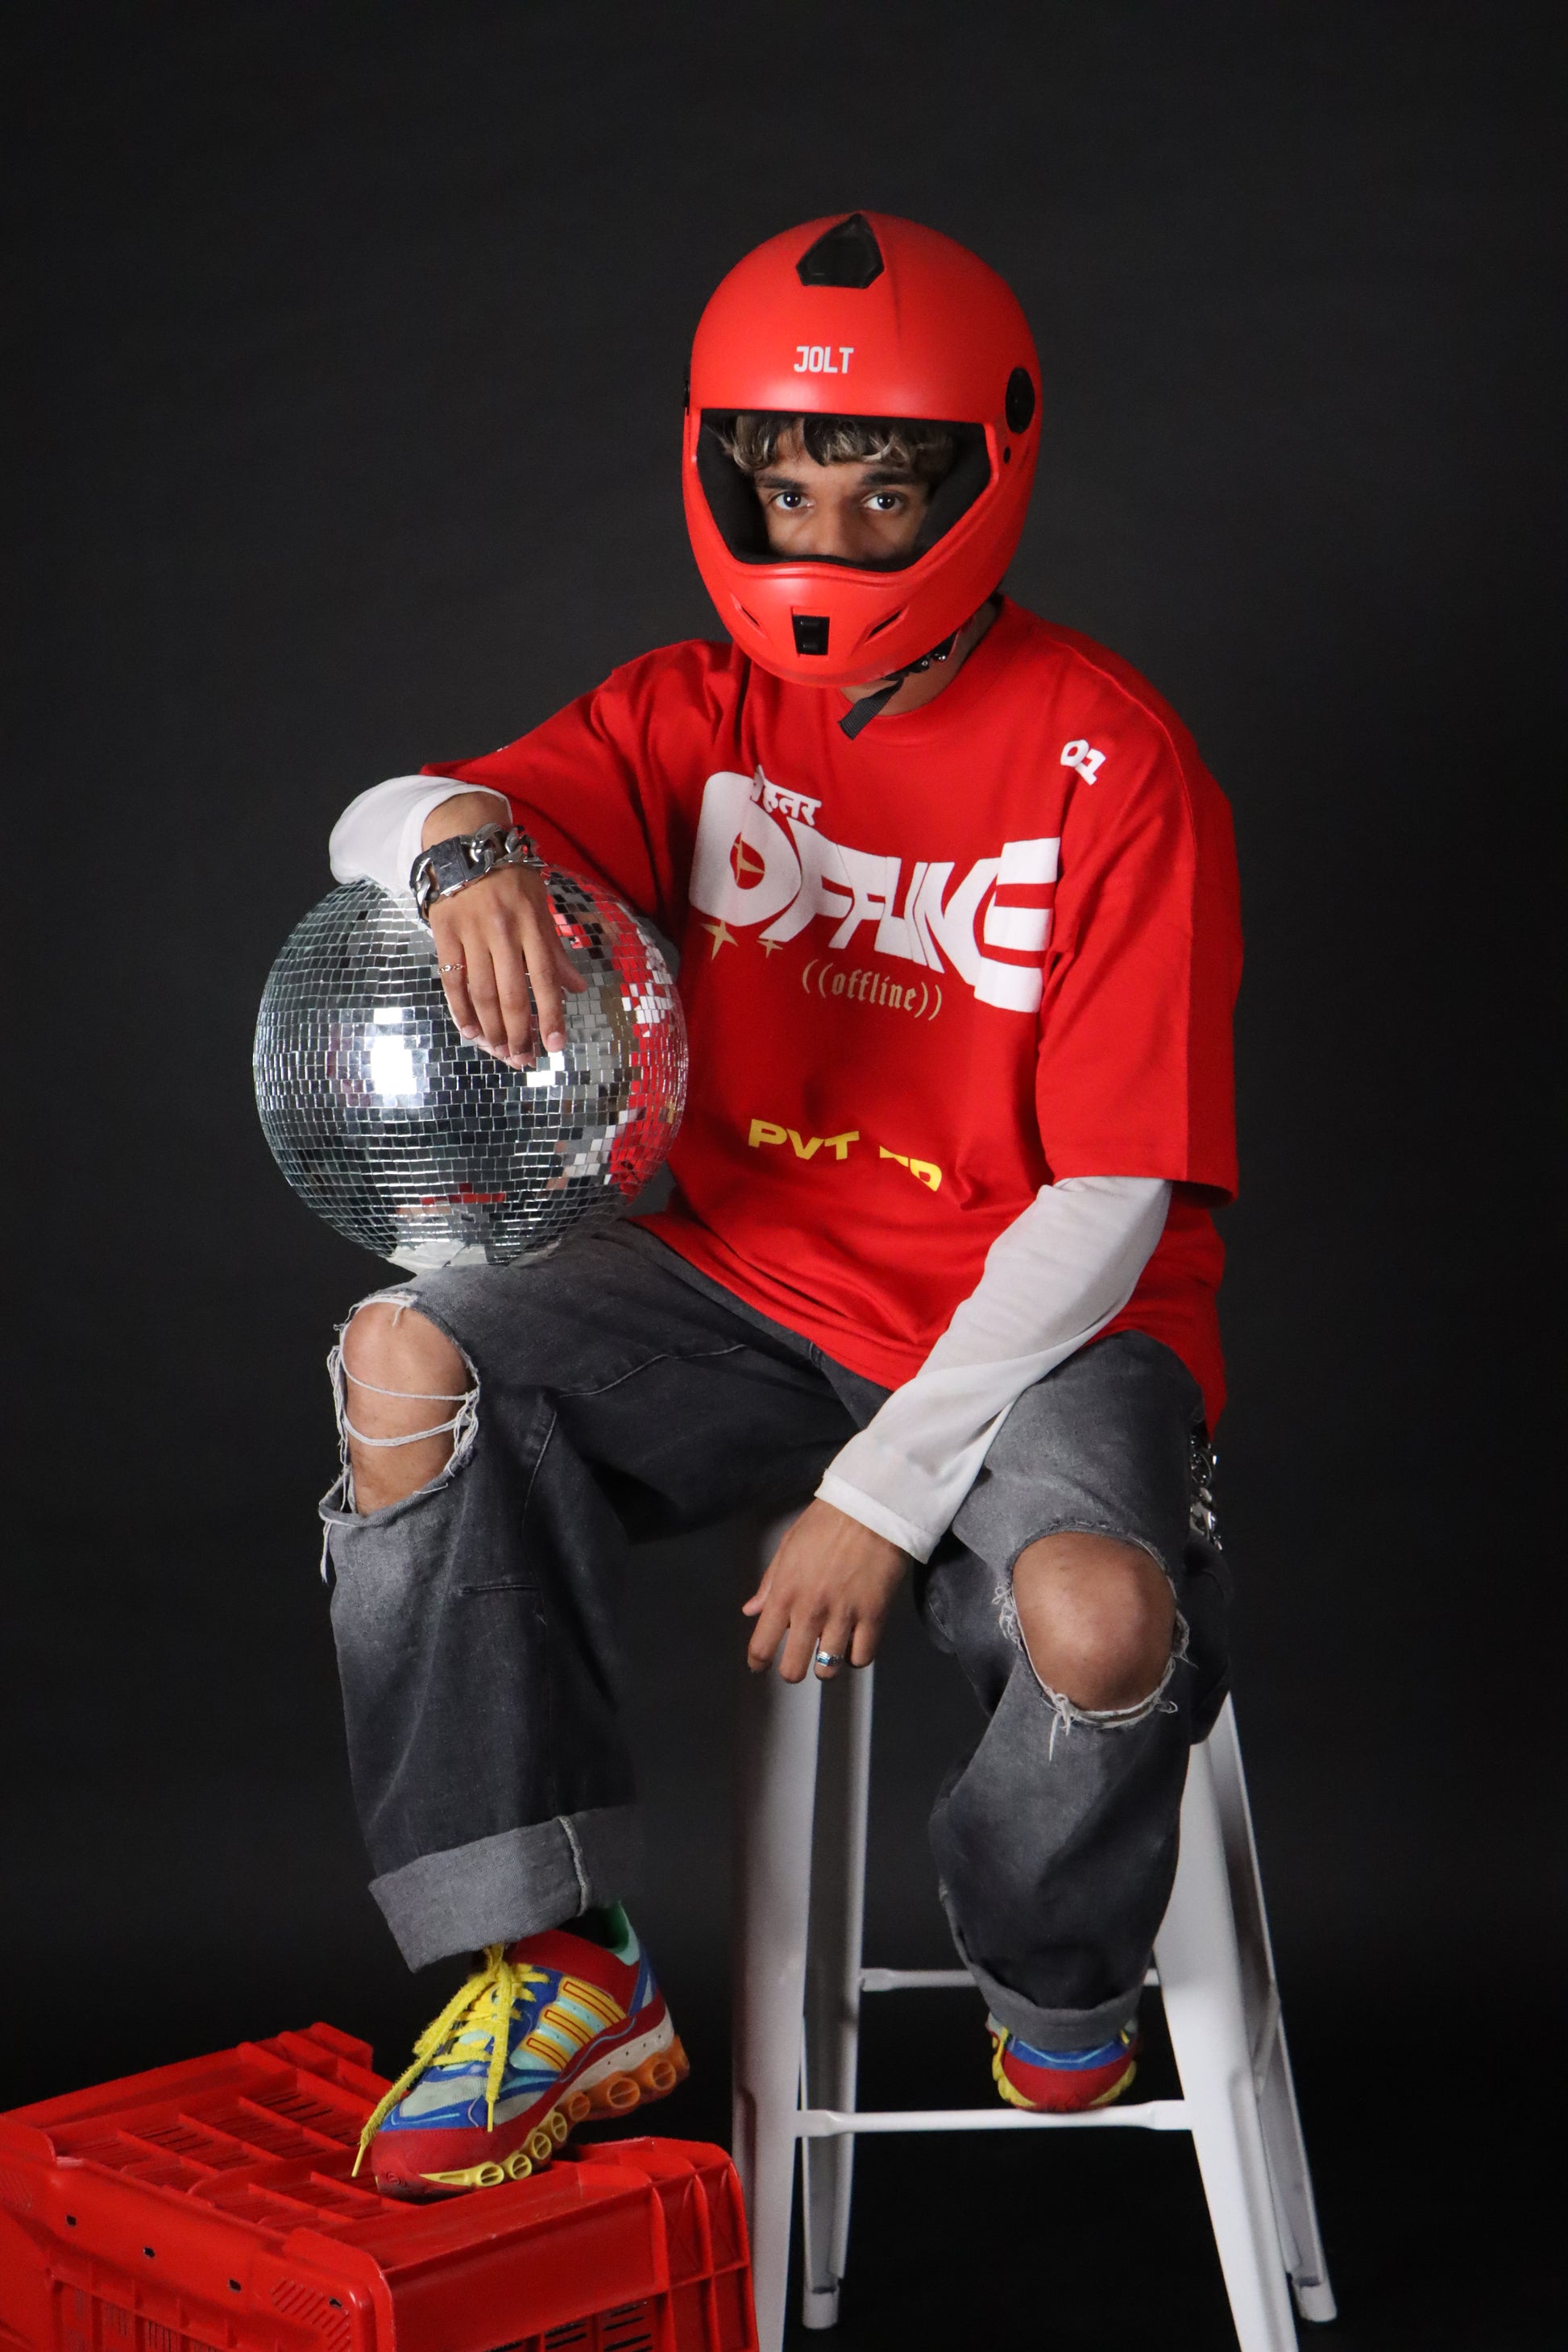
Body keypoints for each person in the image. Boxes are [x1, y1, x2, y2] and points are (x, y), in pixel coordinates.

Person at [320, 210, 1240, 2201]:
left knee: (1096, 1622)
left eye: (879, 491)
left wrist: (884, 1493)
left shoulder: (1114, 761)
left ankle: (1053, 1965)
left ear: (978, 478)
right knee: (404, 1357)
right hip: (749, 1285)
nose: (822, 538)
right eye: (788, 487)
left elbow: (1108, 1192)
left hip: (1050, 1322)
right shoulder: (696, 709)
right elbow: (378, 816)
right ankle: (553, 1959)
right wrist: (466, 844)